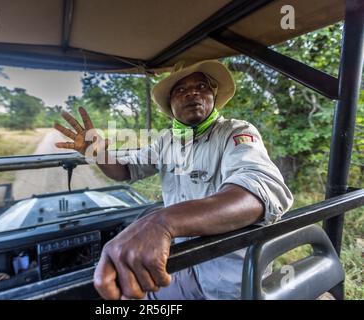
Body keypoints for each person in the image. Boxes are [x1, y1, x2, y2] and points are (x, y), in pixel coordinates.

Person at [54, 59, 293, 300]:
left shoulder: (237, 132)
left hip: (231, 278)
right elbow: (126, 170)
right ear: (171, 104)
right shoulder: (166, 141)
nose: (192, 92)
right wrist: (98, 152)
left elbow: (255, 194)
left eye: (201, 86)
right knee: (124, 295)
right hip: (182, 264)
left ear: (213, 95)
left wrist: (163, 222)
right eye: (180, 89)